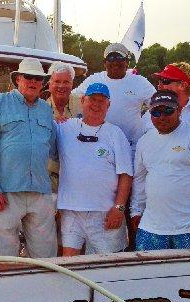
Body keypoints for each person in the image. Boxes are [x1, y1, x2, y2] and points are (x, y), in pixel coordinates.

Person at [0, 57, 57, 257]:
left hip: (40, 191)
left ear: (43, 83)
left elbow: (54, 148)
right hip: (5, 192)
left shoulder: (47, 110)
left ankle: (40, 288)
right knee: (3, 254)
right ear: (18, 79)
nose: (33, 82)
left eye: (38, 79)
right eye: (28, 77)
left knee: (46, 253)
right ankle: (4, 288)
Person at [130, 90, 190, 251]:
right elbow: (139, 179)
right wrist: (136, 211)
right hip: (151, 227)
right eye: (156, 112)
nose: (162, 116)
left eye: (168, 110)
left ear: (179, 110)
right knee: (149, 275)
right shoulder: (144, 141)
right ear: (150, 113)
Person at [55, 83, 133, 256]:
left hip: (105, 213)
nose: (96, 104)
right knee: (69, 264)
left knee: (108, 267)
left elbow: (126, 175)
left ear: (108, 105)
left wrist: (119, 208)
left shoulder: (115, 133)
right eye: (92, 99)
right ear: (83, 100)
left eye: (101, 101)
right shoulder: (65, 127)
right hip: (71, 211)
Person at [73, 43, 155, 158]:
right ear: (104, 63)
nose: (115, 62)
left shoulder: (140, 82)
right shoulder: (94, 79)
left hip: (131, 148)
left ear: (127, 62)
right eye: (111, 58)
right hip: (99, 146)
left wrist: (149, 128)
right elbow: (72, 99)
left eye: (120, 58)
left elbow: (157, 105)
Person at [46, 61, 83, 193]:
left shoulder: (84, 103)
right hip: (49, 178)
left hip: (79, 176)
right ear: (49, 83)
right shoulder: (39, 109)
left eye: (66, 82)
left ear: (72, 84)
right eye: (57, 81)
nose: (61, 86)